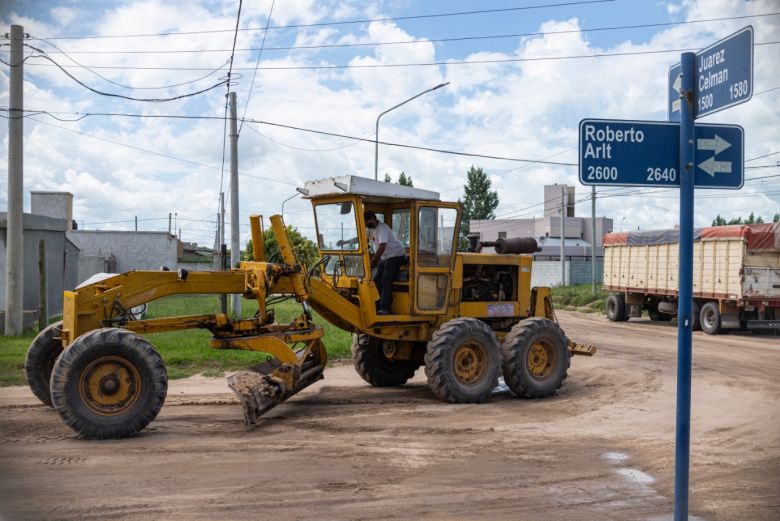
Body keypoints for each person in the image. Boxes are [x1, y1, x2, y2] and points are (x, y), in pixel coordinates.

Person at [338, 210, 405, 315]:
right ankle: (375, 305)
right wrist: (345, 242)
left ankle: (384, 308)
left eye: (369, 221)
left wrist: (374, 261)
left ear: (373, 219)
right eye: (366, 222)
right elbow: (360, 239)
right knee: (376, 281)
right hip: (386, 257)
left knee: (386, 281)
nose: (367, 224)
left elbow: (382, 247)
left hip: (396, 255)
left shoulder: (382, 228)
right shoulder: (371, 229)